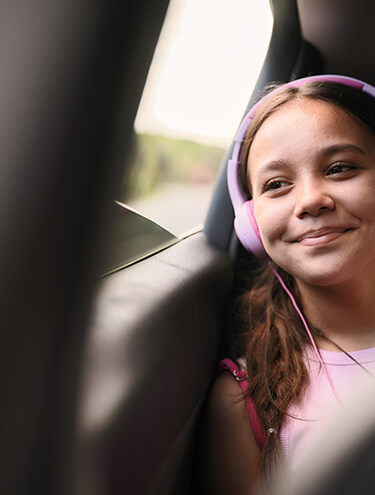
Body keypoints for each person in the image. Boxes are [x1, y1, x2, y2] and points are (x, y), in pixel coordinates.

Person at [196, 75, 375, 494]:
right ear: (251, 223)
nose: (311, 199)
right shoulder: (245, 401)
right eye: (276, 184)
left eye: (340, 168)